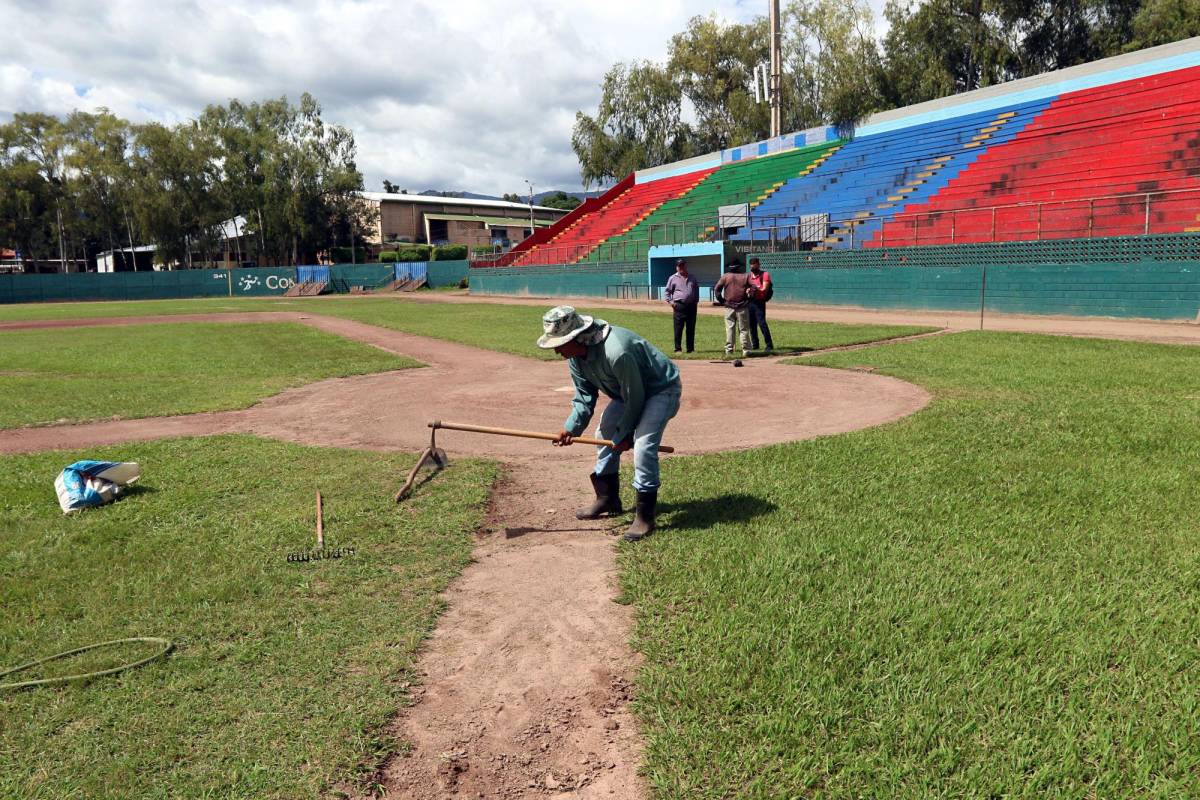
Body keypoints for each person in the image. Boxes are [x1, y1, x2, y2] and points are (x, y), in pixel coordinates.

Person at [538, 306, 682, 541]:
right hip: (627, 393)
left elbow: (636, 397)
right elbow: (584, 397)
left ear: (577, 337)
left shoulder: (616, 351)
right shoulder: (575, 357)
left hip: (660, 390)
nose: (556, 351)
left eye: (559, 344)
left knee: (643, 446)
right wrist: (570, 429)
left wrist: (625, 434)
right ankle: (607, 498)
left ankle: (644, 516)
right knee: (603, 434)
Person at [713, 260, 753, 356]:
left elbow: (717, 289)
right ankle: (746, 350)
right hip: (742, 306)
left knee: (729, 328)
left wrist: (722, 301)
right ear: (739, 267)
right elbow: (753, 288)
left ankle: (729, 349)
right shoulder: (746, 276)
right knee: (744, 329)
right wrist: (749, 299)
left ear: (730, 267)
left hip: (729, 306)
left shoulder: (725, 276)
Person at [663, 258, 699, 354]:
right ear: (677, 267)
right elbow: (667, 292)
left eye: (683, 265)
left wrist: (696, 301)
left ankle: (690, 349)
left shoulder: (692, 277)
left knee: (691, 329)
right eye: (680, 266)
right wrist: (671, 303)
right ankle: (678, 349)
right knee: (678, 328)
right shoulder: (672, 278)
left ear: (685, 266)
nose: (681, 267)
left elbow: (696, 289)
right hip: (679, 306)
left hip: (691, 306)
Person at [747, 257, 774, 352]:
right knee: (751, 324)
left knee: (762, 323)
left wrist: (755, 288)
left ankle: (769, 344)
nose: (753, 267)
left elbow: (764, 289)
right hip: (750, 302)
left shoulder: (765, 274)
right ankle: (755, 344)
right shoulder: (749, 276)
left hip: (759, 302)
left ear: (758, 265)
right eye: (751, 265)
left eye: (755, 264)